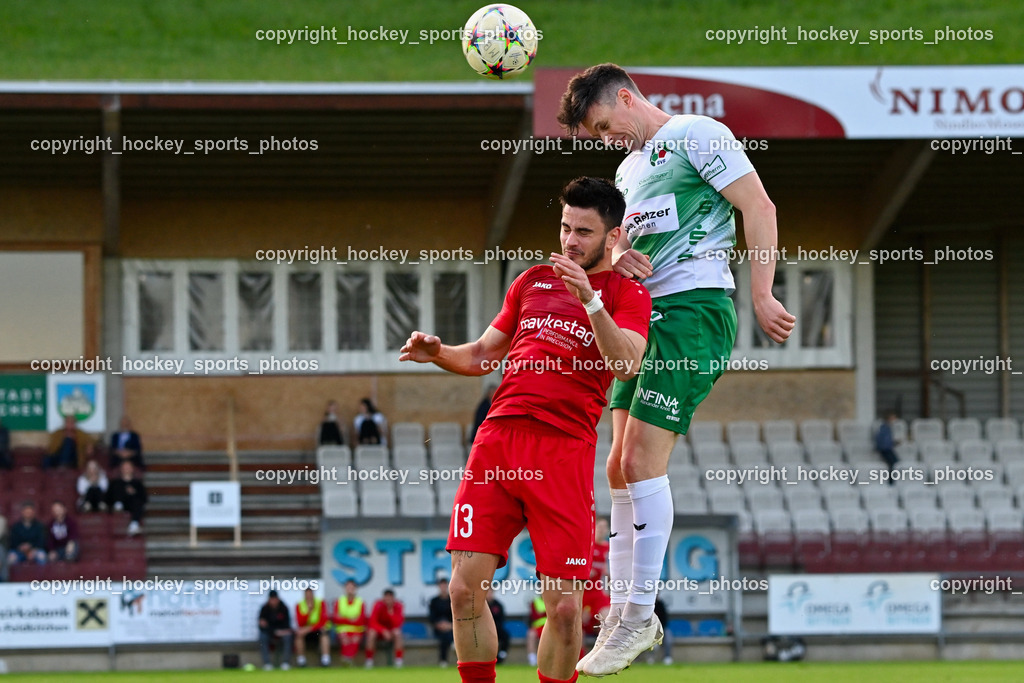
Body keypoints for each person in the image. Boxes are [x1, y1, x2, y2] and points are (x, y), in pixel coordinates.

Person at [558, 64, 796, 676]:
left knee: (641, 461)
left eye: (605, 126)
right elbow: (623, 242)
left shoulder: (698, 134)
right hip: (641, 320)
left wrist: (762, 291)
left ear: (628, 99)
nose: (606, 139)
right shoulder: (626, 170)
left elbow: (759, 205)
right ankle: (620, 613)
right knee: (616, 465)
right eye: (595, 135)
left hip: (693, 310)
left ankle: (640, 616)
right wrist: (617, 254)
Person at [401, 176, 651, 683]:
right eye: (565, 227)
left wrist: (590, 300)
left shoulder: (628, 294)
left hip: (564, 451)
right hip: (497, 441)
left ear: (612, 236)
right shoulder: (531, 281)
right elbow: (481, 355)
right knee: (463, 590)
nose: (570, 241)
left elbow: (626, 364)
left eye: (584, 231)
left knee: (565, 609)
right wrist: (439, 353)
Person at [581, 517, 611, 643]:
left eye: (605, 527)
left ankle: (606, 652)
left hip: (598, 593)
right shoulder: (586, 545)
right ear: (594, 528)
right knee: (578, 627)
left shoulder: (608, 549)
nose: (602, 530)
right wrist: (586, 571)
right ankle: (579, 655)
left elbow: (610, 574)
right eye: (600, 527)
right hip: (583, 593)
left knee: (608, 620)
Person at [365, 588, 405, 668]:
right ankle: (369, 661)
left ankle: (399, 661)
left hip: (391, 632)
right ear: (383, 598)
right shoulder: (378, 604)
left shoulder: (398, 606)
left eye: (390, 597)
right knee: (371, 633)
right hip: (379, 631)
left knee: (397, 633)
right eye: (386, 597)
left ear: (393, 598)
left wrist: (391, 612)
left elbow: (398, 623)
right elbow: (372, 622)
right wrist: (383, 630)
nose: (388, 599)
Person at [107, 461, 148, 536]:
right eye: (125, 468)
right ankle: (118, 505)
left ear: (132, 469)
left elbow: (144, 498)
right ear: (121, 469)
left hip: (132, 505)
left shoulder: (137, 483)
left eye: (128, 468)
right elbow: (108, 497)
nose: (126, 470)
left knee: (137, 502)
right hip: (117, 505)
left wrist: (133, 493)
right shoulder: (115, 482)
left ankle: (134, 525)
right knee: (119, 488)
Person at [332, 579, 367, 666]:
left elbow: (361, 620)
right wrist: (351, 620)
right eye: (348, 587)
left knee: (355, 639)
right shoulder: (339, 601)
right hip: (342, 629)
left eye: (352, 587)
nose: (350, 589)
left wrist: (344, 618)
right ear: (345, 589)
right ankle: (347, 659)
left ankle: (347, 659)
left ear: (355, 589)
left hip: (357, 629)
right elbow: (336, 618)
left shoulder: (360, 602)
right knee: (345, 639)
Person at [294, 587, 331, 667]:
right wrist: (309, 612)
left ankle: (325, 660)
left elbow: (323, 621)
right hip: (306, 633)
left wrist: (309, 628)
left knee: (324, 634)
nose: (309, 597)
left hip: (317, 631)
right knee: (299, 635)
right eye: (307, 595)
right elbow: (300, 623)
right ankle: (301, 661)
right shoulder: (299, 605)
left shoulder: (320, 603)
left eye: (310, 594)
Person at [258, 590, 294, 670]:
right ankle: (267, 663)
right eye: (271, 599)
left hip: (282, 633)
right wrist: (275, 631)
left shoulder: (284, 608)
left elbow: (287, 625)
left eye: (275, 599)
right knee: (262, 637)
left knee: (288, 637)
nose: (273, 601)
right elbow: (261, 626)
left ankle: (286, 663)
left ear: (278, 599)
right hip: (269, 633)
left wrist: (278, 631)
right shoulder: (264, 609)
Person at [6, 502, 47, 567]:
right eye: (26, 512)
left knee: (42, 556)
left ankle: (42, 573)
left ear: (33, 512)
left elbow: (41, 541)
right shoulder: (16, 526)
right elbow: (12, 542)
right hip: (19, 551)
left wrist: (31, 548)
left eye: (30, 512)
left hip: (35, 550)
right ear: (22, 512)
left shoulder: (39, 526)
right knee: (11, 558)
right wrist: (21, 547)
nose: (28, 514)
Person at [427, 578, 454, 667]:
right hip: (438, 628)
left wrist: (450, 625)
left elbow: (456, 616)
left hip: (451, 627)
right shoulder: (434, 601)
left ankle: (443, 660)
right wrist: (439, 625)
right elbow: (432, 617)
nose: (443, 587)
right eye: (441, 585)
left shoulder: (452, 600)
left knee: (448, 634)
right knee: (444, 636)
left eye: (445, 585)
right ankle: (444, 660)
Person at [486, 588, 510, 665]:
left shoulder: (498, 605)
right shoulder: (481, 605)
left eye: (490, 592)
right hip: (484, 630)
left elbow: (501, 619)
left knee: (505, 635)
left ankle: (502, 654)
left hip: (497, 629)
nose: (489, 595)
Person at [647, 596, 672, 665]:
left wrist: (659, 630)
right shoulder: (646, 605)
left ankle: (667, 657)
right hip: (649, 629)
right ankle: (650, 658)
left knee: (668, 638)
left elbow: (664, 620)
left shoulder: (661, 605)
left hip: (661, 628)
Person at [876, 411, 900, 483]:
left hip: (888, 448)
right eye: (893, 418)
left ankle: (893, 480)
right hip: (885, 450)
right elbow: (883, 440)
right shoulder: (884, 428)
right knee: (894, 463)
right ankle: (891, 481)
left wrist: (894, 443)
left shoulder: (887, 427)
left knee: (895, 463)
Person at [526, 595, 546, 667]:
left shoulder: (553, 600)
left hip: (550, 628)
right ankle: (532, 659)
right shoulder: (535, 602)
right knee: (531, 634)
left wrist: (542, 613)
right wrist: (545, 613)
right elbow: (534, 616)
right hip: (538, 627)